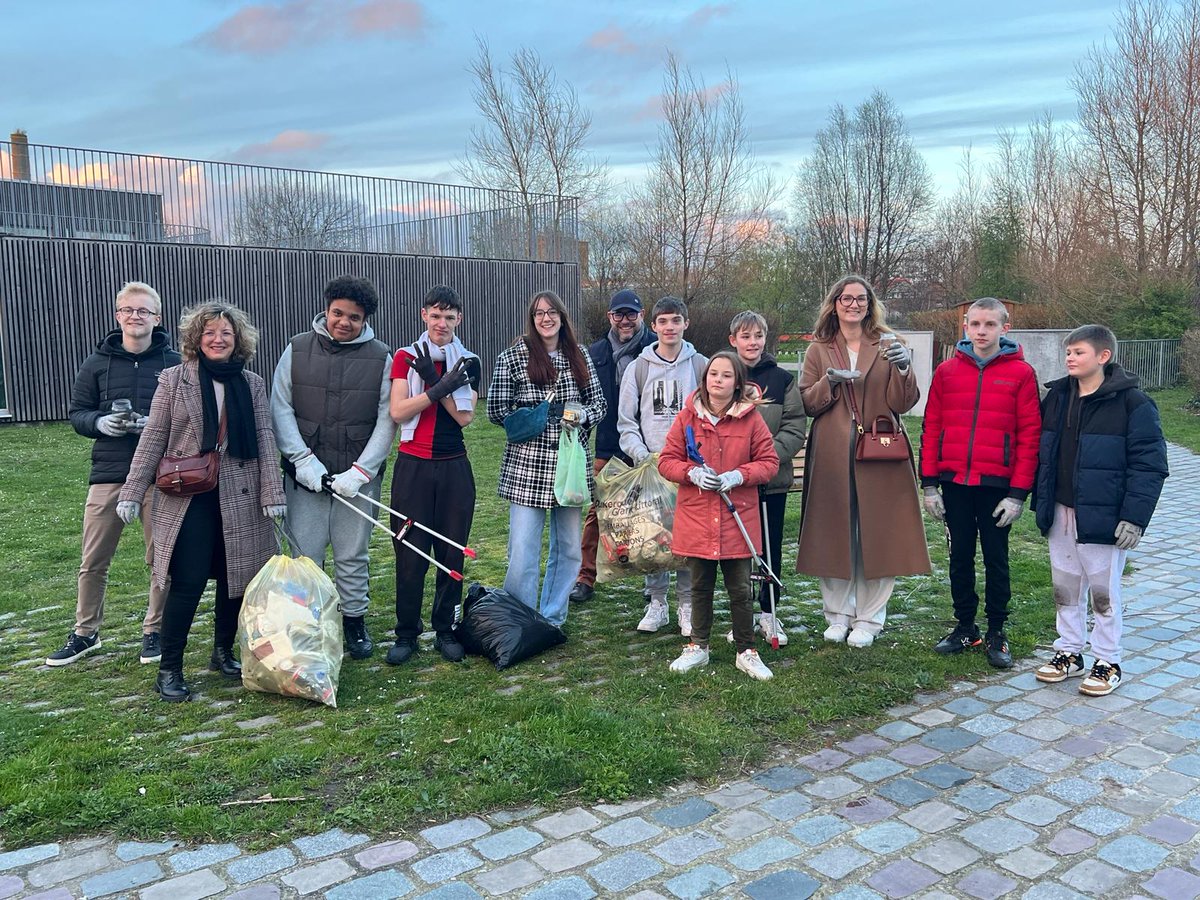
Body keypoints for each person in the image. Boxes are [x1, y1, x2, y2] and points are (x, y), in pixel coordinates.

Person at [118, 301, 286, 702]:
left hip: (242, 496)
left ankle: (222, 653)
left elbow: (265, 440)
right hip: (189, 496)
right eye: (210, 332)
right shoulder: (174, 380)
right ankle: (170, 668)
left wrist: (272, 492)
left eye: (226, 333)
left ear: (238, 339)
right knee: (187, 581)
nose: (218, 339)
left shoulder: (252, 383)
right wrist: (130, 491)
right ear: (197, 338)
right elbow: (152, 439)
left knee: (237, 580)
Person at [47, 282, 181, 668]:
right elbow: (77, 413)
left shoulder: (175, 363)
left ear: (157, 318)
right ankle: (86, 633)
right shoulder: (96, 363)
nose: (135, 316)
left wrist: (156, 426)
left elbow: (191, 417)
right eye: (128, 310)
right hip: (109, 472)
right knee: (93, 559)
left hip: (160, 474)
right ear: (118, 315)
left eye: (143, 311)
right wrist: (101, 422)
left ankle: (154, 631)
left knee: (161, 558)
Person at [1032, 325, 1168, 696]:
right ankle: (1069, 652)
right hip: (1060, 510)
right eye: (1068, 353)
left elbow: (1150, 465)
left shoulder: (1133, 403)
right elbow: (1041, 451)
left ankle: (1108, 660)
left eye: (1078, 352)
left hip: (1105, 517)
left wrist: (1135, 518)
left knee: (1103, 593)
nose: (1069, 358)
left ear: (1103, 356)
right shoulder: (1058, 397)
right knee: (1065, 587)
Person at [796, 275, 930, 648]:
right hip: (832, 452)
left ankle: (869, 619)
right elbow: (807, 403)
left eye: (861, 299)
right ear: (834, 303)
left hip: (880, 450)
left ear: (870, 305)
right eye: (846, 298)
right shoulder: (819, 349)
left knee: (879, 535)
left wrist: (904, 369)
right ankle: (837, 616)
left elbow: (904, 403)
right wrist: (831, 382)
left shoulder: (889, 344)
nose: (853, 304)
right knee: (833, 532)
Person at [271, 275, 395, 660]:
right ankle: (305, 623)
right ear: (326, 309)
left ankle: (354, 620)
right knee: (303, 554)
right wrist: (301, 460)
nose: (344, 322)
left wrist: (361, 472)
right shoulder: (297, 348)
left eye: (354, 317)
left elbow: (386, 419)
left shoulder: (381, 357)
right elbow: (281, 407)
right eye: (338, 313)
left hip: (356, 479)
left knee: (352, 553)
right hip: (305, 477)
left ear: (365, 320)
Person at [920, 298, 1041, 669]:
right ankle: (964, 626)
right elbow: (932, 427)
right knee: (959, 557)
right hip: (955, 482)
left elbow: (1030, 436)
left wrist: (1018, 495)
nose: (982, 331)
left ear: (1005, 328)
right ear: (965, 327)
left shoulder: (1021, 373)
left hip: (996, 487)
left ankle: (997, 630)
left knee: (996, 558)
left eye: (990, 324)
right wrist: (928, 485)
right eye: (975, 324)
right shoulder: (946, 372)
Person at [658, 351, 779, 680]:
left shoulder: (751, 419)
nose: (718, 380)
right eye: (713, 374)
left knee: (740, 588)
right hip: (698, 515)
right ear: (705, 378)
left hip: (737, 516)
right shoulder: (687, 417)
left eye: (726, 375)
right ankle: (698, 646)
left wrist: (738, 475)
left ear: (737, 382)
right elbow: (667, 460)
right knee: (700, 586)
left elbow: (769, 462)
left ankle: (746, 650)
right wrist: (691, 473)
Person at [487, 291, 605, 628]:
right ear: (532, 319)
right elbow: (496, 411)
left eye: (552, 312)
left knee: (568, 548)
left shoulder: (579, 355)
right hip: (528, 466)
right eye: (539, 313)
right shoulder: (513, 357)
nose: (546, 318)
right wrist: (536, 415)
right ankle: (520, 620)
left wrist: (580, 416)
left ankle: (552, 617)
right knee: (523, 550)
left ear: (563, 317)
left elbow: (599, 405)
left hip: (569, 465)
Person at [387, 285, 480, 664]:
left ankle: (444, 628)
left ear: (459, 319)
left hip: (454, 466)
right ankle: (407, 633)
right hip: (413, 467)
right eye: (436, 315)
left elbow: (464, 417)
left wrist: (438, 385)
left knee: (451, 551)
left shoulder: (468, 360)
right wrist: (439, 385)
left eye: (450, 316)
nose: (443, 323)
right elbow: (398, 411)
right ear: (424, 314)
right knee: (409, 551)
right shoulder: (405, 356)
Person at [617, 296, 707, 635]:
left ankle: (686, 604)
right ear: (653, 326)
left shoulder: (699, 364)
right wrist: (642, 456)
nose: (670, 327)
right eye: (663, 322)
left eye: (676, 321)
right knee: (652, 540)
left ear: (686, 323)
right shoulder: (637, 367)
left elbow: (709, 414)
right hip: (652, 466)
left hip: (688, 468)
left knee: (686, 539)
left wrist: (695, 457)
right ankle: (657, 603)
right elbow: (626, 421)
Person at [569, 288, 656, 604]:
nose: (625, 320)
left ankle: (653, 580)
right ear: (610, 317)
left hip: (646, 445)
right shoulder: (596, 352)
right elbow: (584, 397)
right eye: (619, 314)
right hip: (607, 445)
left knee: (651, 512)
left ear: (641, 315)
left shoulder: (654, 349)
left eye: (631, 314)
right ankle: (585, 577)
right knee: (598, 512)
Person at [726, 310, 806, 646]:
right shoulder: (723, 375)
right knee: (739, 553)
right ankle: (742, 618)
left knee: (770, 550)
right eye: (745, 336)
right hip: (734, 482)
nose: (752, 342)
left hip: (771, 480)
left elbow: (794, 425)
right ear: (733, 341)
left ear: (765, 339)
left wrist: (763, 456)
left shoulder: (782, 379)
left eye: (758, 336)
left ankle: (770, 615)